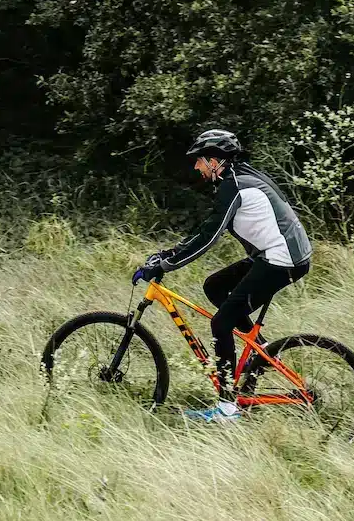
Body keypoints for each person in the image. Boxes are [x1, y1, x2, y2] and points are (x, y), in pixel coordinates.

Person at [134, 128, 313, 423]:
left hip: (283, 261)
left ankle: (227, 409)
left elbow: (208, 237)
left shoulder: (236, 186)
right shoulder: (238, 178)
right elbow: (206, 229)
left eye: (199, 161)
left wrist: (165, 264)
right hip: (278, 256)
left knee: (222, 323)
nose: (196, 167)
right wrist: (169, 253)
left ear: (215, 160)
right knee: (215, 287)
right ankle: (265, 354)